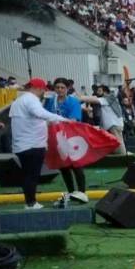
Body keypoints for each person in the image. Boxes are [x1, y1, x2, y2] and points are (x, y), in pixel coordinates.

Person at [9, 78, 67, 209]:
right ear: (39, 88)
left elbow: (34, 120)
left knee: (28, 175)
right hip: (32, 145)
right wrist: (62, 119)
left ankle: (30, 201)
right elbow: (40, 114)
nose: (43, 93)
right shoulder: (31, 100)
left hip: (24, 144)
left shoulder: (19, 101)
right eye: (43, 90)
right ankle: (31, 203)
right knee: (32, 175)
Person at [46, 78, 90, 206]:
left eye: (62, 87)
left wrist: (58, 121)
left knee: (76, 164)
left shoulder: (73, 101)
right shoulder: (50, 101)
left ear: (67, 89)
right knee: (63, 165)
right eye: (57, 87)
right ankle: (71, 192)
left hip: (71, 137)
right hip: (56, 137)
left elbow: (74, 119)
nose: (59, 90)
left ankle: (82, 192)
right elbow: (45, 115)